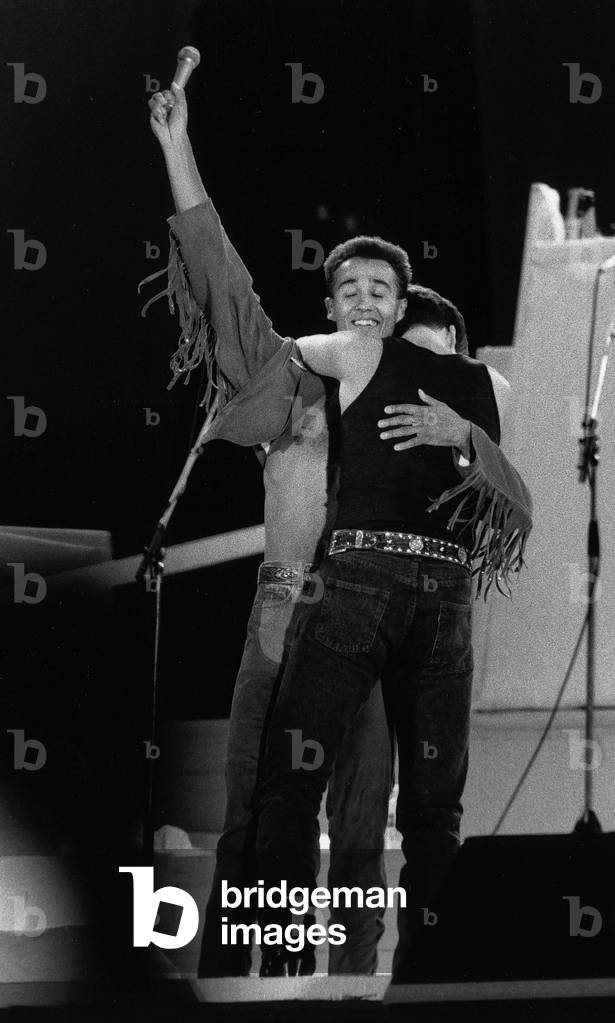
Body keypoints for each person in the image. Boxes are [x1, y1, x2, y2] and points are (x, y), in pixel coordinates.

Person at [144, 82, 532, 977]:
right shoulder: (288, 382)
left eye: (379, 291)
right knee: (252, 816)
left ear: (398, 312)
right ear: (333, 306)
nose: (362, 301)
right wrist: (176, 147)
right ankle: (240, 986)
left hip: (376, 613)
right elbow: (218, 273)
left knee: (362, 824)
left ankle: (356, 991)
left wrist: (463, 435)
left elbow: (498, 499)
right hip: (286, 619)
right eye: (347, 287)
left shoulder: (419, 408)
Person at [253, 302, 533, 976]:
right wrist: (464, 431)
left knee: (291, 783)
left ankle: (278, 965)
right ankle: (427, 975)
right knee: (434, 807)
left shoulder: (362, 351)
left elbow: (276, 346)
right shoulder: (492, 388)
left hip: (362, 573)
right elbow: (515, 505)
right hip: (444, 590)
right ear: (461, 341)